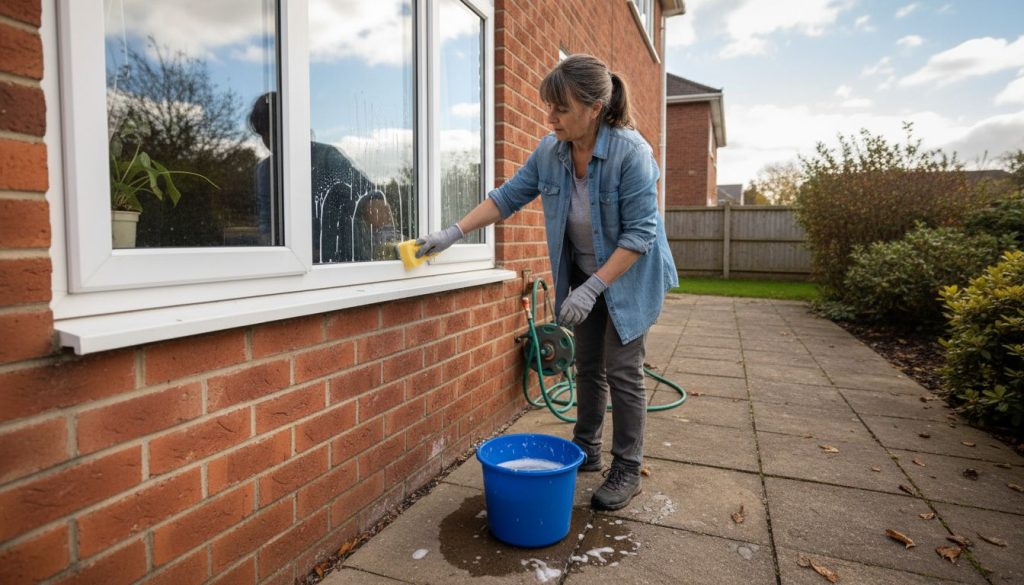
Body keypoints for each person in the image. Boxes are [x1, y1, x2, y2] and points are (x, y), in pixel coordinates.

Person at [416, 54, 678, 510]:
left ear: (595, 107)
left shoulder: (631, 153)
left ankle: (627, 468)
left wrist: (595, 286)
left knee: (622, 368)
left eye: (561, 108)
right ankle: (587, 450)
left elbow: (640, 235)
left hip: (629, 275)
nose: (549, 117)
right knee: (588, 366)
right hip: (581, 272)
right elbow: (507, 197)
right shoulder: (550, 152)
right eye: (548, 106)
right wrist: (452, 234)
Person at [248, 92, 402, 261]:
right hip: (295, 268)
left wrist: (390, 243)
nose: (270, 138)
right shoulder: (264, 171)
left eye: (275, 129)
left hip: (344, 262)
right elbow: (266, 225)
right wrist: (283, 256)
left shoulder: (326, 158)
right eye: (264, 132)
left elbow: (371, 199)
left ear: (295, 126)